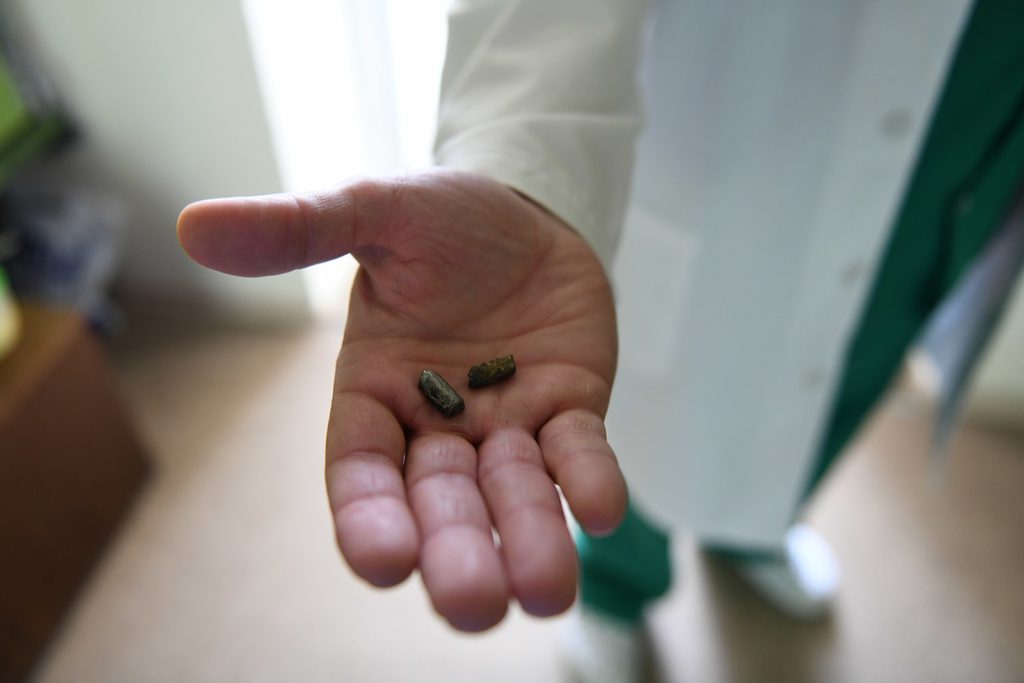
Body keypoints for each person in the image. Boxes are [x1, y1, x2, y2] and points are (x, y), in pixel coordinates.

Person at [178, 0, 1024, 679]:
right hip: (732, 152)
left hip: (961, 168)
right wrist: (521, 165)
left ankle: (753, 523)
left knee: (842, 378)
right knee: (631, 435)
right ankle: (617, 592)